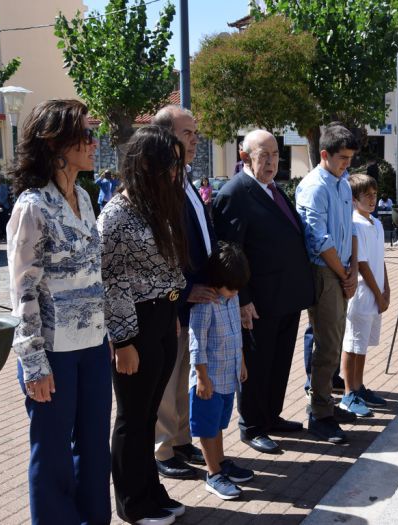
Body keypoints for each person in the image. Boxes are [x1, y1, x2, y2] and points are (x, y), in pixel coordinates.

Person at [6, 99, 112, 525]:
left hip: (91, 347)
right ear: (57, 144)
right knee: (52, 459)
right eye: (86, 134)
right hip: (53, 355)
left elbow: (94, 275)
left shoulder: (85, 200)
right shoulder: (32, 206)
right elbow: (22, 292)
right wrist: (34, 363)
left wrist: (105, 336)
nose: (94, 142)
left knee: (93, 451)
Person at [99, 125, 189, 525]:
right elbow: (111, 279)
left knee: (148, 415)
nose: (174, 173)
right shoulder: (117, 214)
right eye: (168, 165)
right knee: (132, 418)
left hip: (162, 318)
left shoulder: (154, 206)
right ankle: (134, 503)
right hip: (134, 324)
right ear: (145, 164)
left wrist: (170, 317)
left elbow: (169, 266)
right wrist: (123, 340)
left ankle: (152, 491)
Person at [213, 129, 314, 454]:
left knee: (279, 362)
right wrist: (242, 299)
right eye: (264, 155)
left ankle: (271, 416)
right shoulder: (236, 193)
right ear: (245, 157)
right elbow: (229, 251)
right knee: (256, 367)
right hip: (258, 302)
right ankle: (253, 425)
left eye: (275, 154)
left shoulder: (274, 189)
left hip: (285, 296)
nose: (272, 161)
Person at [151, 105, 208, 480]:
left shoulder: (186, 178)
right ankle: (162, 448)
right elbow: (160, 250)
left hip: (196, 299)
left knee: (185, 372)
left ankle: (182, 438)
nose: (194, 140)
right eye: (187, 133)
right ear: (166, 137)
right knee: (167, 378)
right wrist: (185, 290)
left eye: (194, 133)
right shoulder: (159, 184)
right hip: (174, 299)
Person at [296, 123, 359, 444]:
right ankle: (319, 414)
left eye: (349, 158)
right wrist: (343, 273)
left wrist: (353, 271)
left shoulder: (343, 183)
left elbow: (351, 229)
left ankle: (327, 404)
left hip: (343, 270)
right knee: (327, 345)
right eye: (342, 158)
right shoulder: (314, 187)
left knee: (335, 342)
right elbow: (318, 240)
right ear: (324, 154)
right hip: (325, 272)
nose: (346, 163)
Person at [189, 242, 254, 500]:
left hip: (228, 376)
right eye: (231, 287)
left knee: (217, 425)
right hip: (209, 381)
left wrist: (242, 362)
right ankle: (213, 473)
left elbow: (237, 333)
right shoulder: (205, 305)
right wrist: (202, 379)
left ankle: (222, 461)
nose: (235, 292)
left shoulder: (232, 298)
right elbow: (197, 345)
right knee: (207, 427)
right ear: (217, 280)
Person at [339, 174, 390, 417]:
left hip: (376, 294)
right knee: (352, 344)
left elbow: (381, 260)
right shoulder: (355, 224)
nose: (372, 199)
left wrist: (386, 289)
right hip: (361, 295)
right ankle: (348, 394)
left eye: (374, 194)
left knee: (363, 346)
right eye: (366, 195)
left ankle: (359, 387)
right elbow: (364, 264)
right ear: (354, 199)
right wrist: (378, 295)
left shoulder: (376, 223)